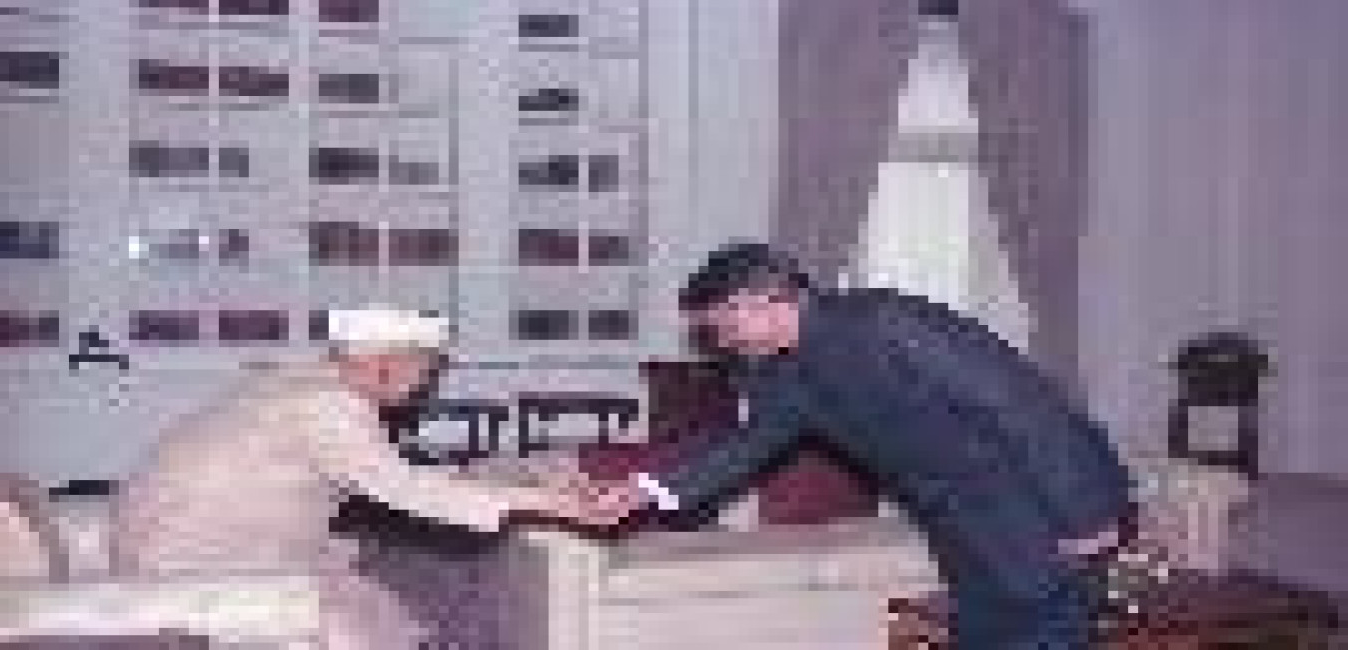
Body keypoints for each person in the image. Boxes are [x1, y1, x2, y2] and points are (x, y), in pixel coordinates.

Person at [554, 243, 1139, 650]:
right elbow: (744, 447)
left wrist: (1088, 515)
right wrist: (642, 491)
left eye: (720, 328)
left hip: (1041, 513)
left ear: (758, 302)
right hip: (960, 530)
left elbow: (1026, 406)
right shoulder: (781, 375)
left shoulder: (887, 323)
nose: (719, 343)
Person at [109, 307, 586, 650]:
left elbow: (396, 473)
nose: (426, 384)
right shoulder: (328, 405)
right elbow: (403, 487)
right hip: (204, 567)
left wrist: (518, 479)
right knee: (409, 586)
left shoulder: (305, 382)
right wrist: (553, 503)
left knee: (391, 581)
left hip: (183, 549)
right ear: (388, 363)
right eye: (426, 369)